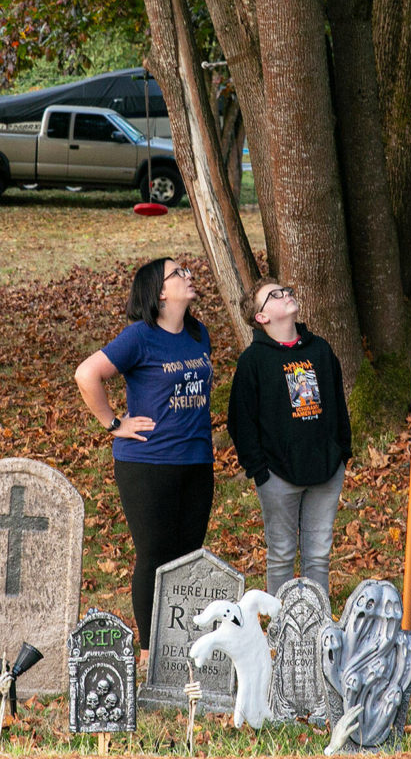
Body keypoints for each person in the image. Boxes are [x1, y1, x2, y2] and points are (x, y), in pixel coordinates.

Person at [75, 258, 214, 664]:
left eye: (187, 271)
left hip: (196, 461)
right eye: (178, 274)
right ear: (158, 293)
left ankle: (179, 648)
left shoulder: (198, 333)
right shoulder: (139, 336)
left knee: (189, 556)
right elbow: (88, 374)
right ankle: (150, 653)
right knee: (154, 554)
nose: (188, 276)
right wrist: (113, 422)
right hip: (147, 463)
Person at [227, 278, 352, 597]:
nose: (286, 295)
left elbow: (337, 403)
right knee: (281, 555)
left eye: (286, 291)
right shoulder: (253, 362)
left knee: (318, 556)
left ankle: (318, 629)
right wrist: (260, 471)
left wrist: (341, 454)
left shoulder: (320, 349)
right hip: (278, 476)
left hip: (325, 470)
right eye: (275, 295)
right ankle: (282, 630)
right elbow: (240, 422)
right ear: (261, 317)